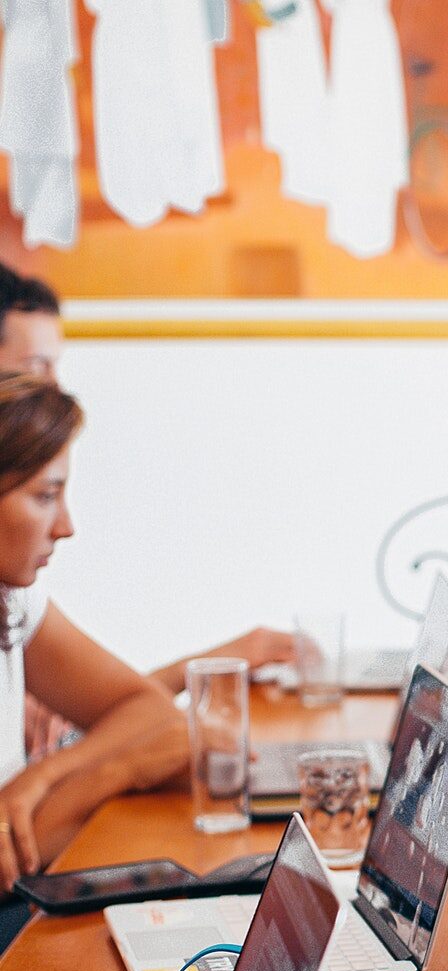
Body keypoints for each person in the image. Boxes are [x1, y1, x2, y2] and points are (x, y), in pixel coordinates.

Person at [0, 263, 294, 755]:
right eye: (35, 369)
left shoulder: (15, 597)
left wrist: (219, 663)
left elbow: (125, 708)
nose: (53, 389)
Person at [0, 373, 189, 900]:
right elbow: (7, 863)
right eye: (45, 496)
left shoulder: (13, 599)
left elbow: (147, 709)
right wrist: (119, 769)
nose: (65, 526)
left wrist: (38, 778)